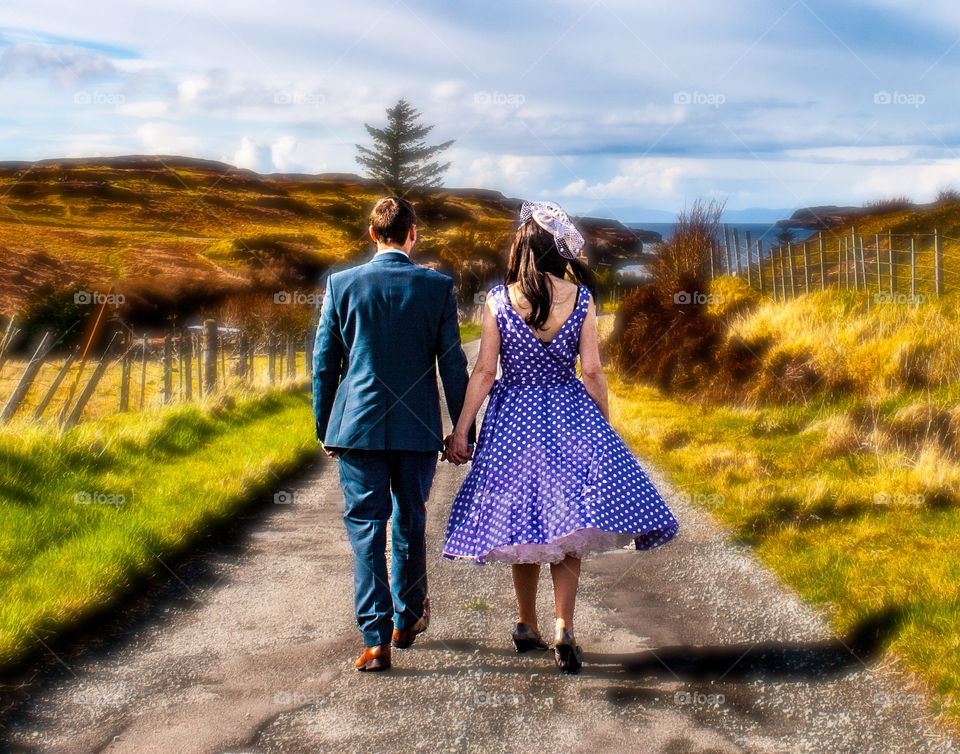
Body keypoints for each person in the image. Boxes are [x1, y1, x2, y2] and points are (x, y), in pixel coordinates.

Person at [442, 200, 679, 674]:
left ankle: (525, 622)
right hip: (570, 415)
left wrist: (461, 430)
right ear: (557, 249)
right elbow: (591, 371)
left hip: (514, 420)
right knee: (566, 528)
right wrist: (604, 428)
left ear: (523, 248)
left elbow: (485, 371)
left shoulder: (498, 300)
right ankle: (562, 626)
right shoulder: (582, 298)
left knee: (522, 523)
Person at [313, 196, 472, 672]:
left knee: (365, 528)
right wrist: (462, 430)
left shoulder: (341, 285)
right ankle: (408, 618)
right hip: (418, 428)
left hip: (356, 428)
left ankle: (376, 638)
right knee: (410, 520)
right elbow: (453, 365)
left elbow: (325, 363)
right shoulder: (437, 288)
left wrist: (325, 426)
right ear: (413, 233)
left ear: (371, 233)